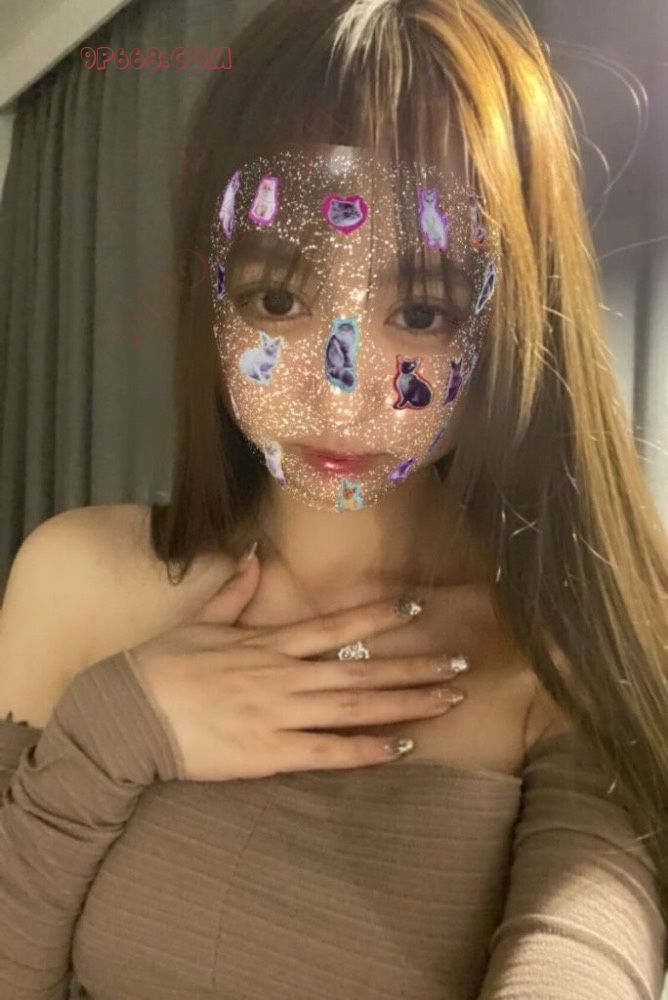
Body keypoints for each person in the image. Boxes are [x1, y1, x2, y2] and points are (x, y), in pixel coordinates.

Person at [0, 0, 667, 996]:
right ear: (210, 294)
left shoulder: (560, 646)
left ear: (511, 320)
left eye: (421, 310)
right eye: (278, 297)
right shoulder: (76, 582)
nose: (340, 389)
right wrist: (111, 733)